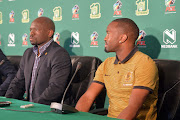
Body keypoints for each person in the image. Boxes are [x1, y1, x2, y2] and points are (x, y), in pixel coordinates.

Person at [75, 18, 159, 120]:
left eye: (108, 34)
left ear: (122, 38)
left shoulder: (144, 63)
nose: (105, 38)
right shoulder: (106, 64)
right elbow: (88, 97)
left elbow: (133, 107)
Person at [5, 17, 72, 105]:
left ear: (49, 33)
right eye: (30, 30)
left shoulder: (59, 54)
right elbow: (18, 82)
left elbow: (56, 88)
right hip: (31, 108)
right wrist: (7, 101)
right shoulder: (28, 53)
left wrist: (33, 105)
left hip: (48, 110)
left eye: (36, 30)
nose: (31, 34)